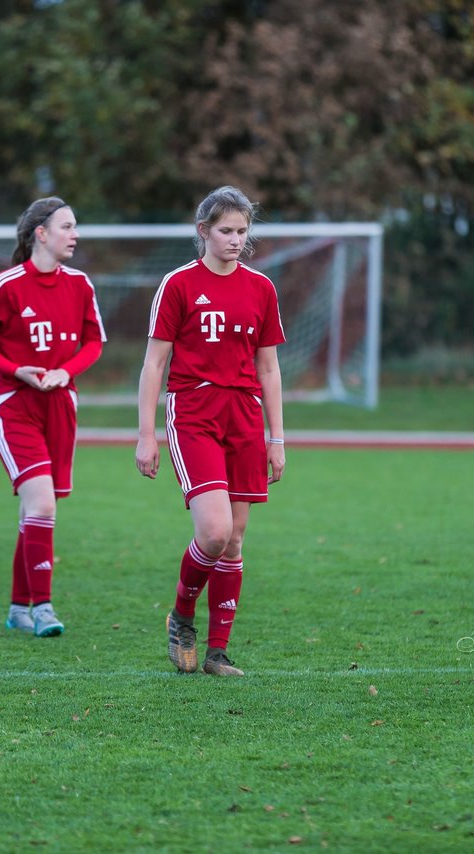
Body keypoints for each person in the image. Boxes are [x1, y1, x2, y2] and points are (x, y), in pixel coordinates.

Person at [135, 186, 286, 678]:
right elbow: (155, 363)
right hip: (194, 411)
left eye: (243, 231)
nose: (235, 240)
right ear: (203, 231)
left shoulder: (261, 288)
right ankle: (181, 616)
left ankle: (218, 652)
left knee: (236, 540)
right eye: (226, 231)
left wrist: (276, 437)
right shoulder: (178, 284)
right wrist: (145, 434)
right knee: (215, 531)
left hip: (244, 415)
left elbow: (268, 370)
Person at [0, 197, 105, 638]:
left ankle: (17, 607)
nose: (74, 235)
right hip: (14, 405)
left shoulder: (81, 284)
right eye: (67, 226)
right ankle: (43, 607)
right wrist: (16, 369)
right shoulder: (4, 286)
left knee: (37, 509)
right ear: (40, 233)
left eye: (75, 227)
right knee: (41, 504)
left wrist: (66, 371)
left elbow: (93, 342)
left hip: (61, 405)